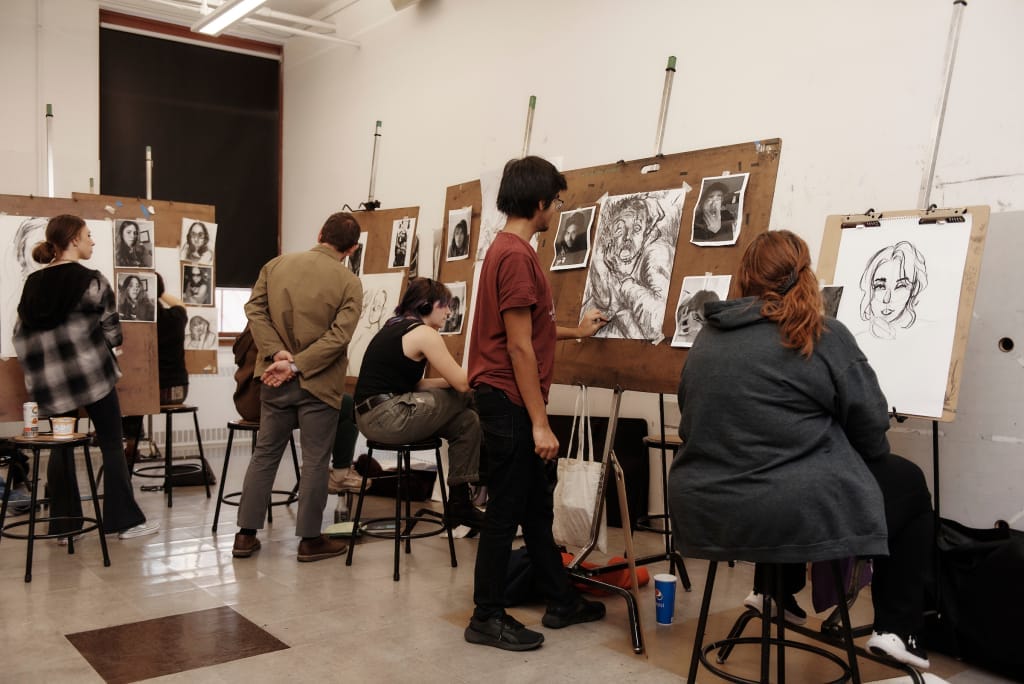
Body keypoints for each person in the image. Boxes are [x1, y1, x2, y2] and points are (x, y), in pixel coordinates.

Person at [668, 230, 935, 670]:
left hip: (706, 505)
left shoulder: (709, 337)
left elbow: (692, 419)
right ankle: (896, 628)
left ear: (744, 278)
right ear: (804, 276)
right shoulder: (822, 333)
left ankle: (774, 591)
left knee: (778, 467)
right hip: (784, 511)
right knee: (908, 483)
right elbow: (871, 433)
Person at [465, 156, 609, 651]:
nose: (556, 210)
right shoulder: (518, 257)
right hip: (510, 400)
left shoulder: (503, 250)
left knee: (533, 507)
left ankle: (561, 599)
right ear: (542, 202)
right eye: (557, 201)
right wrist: (540, 422)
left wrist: (575, 330)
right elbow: (519, 346)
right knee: (506, 512)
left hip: (504, 396)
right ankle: (486, 616)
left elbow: (533, 327)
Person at [13, 214, 159, 539]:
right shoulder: (92, 280)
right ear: (74, 240)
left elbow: (21, 336)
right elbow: (113, 333)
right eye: (89, 235)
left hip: (53, 386)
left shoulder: (32, 285)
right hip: (94, 380)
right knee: (110, 442)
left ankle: (65, 527)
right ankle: (124, 523)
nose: (92, 241)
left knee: (61, 447)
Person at [233, 211, 363, 562]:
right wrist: (298, 364)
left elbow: (254, 311)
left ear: (320, 233)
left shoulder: (275, 266)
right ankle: (309, 540)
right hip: (319, 383)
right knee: (316, 461)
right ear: (352, 249)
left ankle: (245, 536)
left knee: (265, 454)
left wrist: (278, 354)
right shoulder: (349, 282)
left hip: (274, 378)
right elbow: (339, 337)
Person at [354, 278, 484, 529]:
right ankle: (496, 474)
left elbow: (416, 386)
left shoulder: (395, 326)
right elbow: (463, 384)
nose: (449, 311)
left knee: (468, 422)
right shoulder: (424, 333)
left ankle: (460, 503)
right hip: (388, 416)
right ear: (426, 306)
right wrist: (491, 373)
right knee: (470, 396)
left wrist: (451, 382)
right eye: (444, 305)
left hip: (373, 416)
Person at [123, 273, 189, 460]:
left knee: (130, 395)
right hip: (176, 392)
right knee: (137, 394)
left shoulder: (136, 322)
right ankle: (131, 445)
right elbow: (181, 305)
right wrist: (159, 292)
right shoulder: (175, 316)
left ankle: (130, 445)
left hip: (147, 392)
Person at [858, 241, 928, 340]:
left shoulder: (930, 334)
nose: (887, 299)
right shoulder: (854, 341)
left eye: (900, 286)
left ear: (915, 289)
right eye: (880, 286)